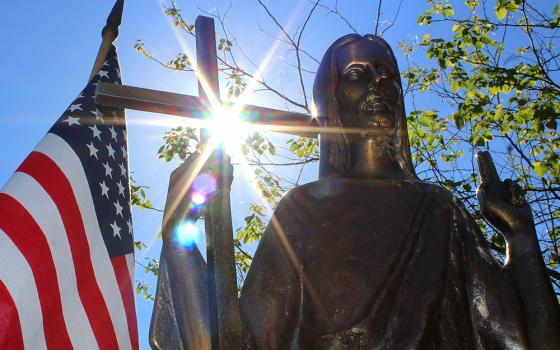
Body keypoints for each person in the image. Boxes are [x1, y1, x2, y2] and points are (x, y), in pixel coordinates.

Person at [150, 34, 560, 349]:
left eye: (386, 74)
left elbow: (524, 340)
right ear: (330, 100)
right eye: (356, 74)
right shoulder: (302, 210)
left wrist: (521, 238)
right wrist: (180, 236)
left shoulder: (441, 210)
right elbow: (246, 342)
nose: (378, 84)